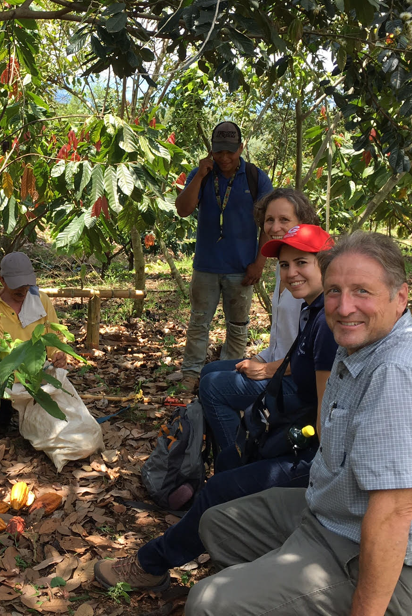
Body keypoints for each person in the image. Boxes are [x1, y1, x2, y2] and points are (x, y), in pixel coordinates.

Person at [185, 232, 412, 616]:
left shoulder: (396, 374)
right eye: (335, 291)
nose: (345, 307)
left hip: (382, 560)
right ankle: (280, 586)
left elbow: (393, 515)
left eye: (362, 291)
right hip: (334, 517)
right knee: (219, 524)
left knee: (207, 603)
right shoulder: (358, 343)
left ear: (400, 297)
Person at [95, 224, 338, 593]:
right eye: (285, 265)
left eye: (301, 262)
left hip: (321, 457)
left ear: (326, 264)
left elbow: (327, 416)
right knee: (229, 461)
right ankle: (226, 543)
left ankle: (149, 565)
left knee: (223, 487)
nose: (291, 273)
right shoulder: (313, 311)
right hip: (298, 432)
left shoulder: (329, 322)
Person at [198, 188, 318, 450]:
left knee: (213, 387)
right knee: (209, 371)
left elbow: (311, 356)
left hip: (296, 380)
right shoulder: (282, 266)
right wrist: (260, 359)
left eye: (284, 220)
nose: (275, 227)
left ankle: (238, 458)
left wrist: (266, 370)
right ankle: (239, 443)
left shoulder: (310, 275)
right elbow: (282, 339)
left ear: (303, 222)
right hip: (280, 365)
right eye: (269, 220)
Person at [175, 121, 273, 386]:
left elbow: (269, 222)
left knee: (238, 326)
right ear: (211, 150)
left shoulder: (255, 177)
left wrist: (259, 263)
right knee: (198, 323)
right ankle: (191, 374)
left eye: (230, 151)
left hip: (241, 268)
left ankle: (229, 376)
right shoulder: (202, 174)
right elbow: (183, 209)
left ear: (240, 148)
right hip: (206, 266)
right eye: (219, 151)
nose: (225, 157)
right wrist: (199, 176)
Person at [0, 252, 68, 449]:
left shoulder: (40, 299)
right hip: (1, 384)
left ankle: (16, 415)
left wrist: (58, 355)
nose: (23, 290)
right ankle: (5, 412)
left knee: (61, 433)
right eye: (17, 285)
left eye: (26, 284)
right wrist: (7, 368)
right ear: (2, 280)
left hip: (35, 381)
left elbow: (54, 337)